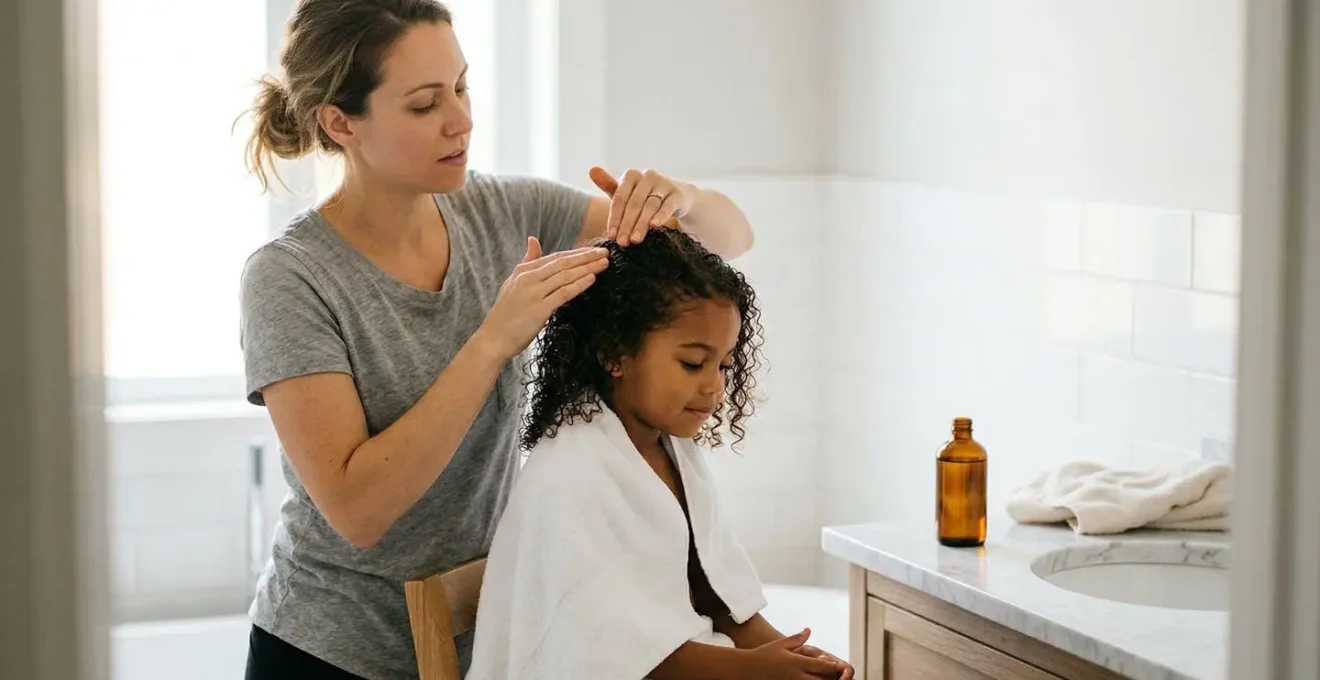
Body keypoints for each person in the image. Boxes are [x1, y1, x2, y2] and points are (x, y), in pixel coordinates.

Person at [237, 0, 754, 678]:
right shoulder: (290, 278)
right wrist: (489, 345)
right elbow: (359, 511)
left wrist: (679, 200)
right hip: (329, 653)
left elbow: (730, 238)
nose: (462, 119)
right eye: (425, 106)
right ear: (341, 122)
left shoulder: (504, 211)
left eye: (462, 86)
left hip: (479, 640)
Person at [468, 228, 854, 680]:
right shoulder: (570, 474)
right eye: (693, 362)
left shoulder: (671, 449)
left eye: (725, 364)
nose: (714, 386)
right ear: (615, 354)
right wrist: (752, 669)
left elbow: (719, 597)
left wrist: (799, 659)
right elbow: (603, 653)